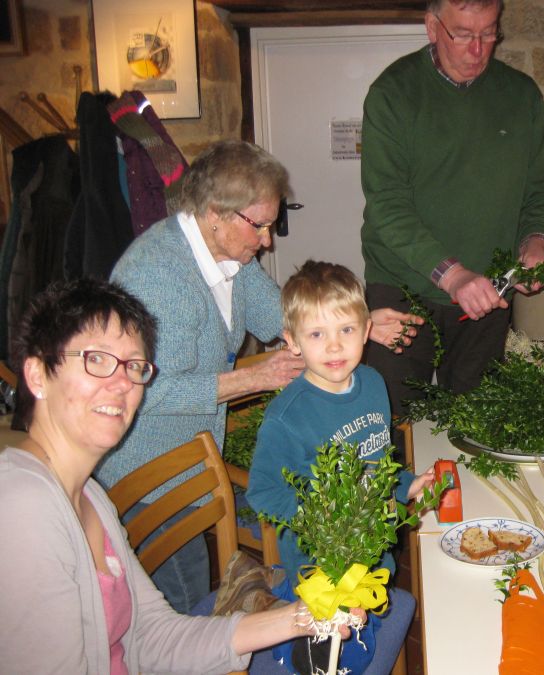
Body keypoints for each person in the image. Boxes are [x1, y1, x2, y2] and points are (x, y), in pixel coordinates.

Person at [97, 140, 422, 613]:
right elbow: (143, 388)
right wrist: (251, 379)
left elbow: (285, 320)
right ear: (215, 213)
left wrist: (356, 322)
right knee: (177, 605)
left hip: (194, 450)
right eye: (261, 225)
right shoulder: (156, 277)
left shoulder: (231, 259)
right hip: (149, 471)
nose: (268, 240)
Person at [0, 277, 362, 673]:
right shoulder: (22, 506)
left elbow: (149, 635)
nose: (122, 383)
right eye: (97, 360)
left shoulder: (88, 495)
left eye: (134, 366)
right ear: (37, 375)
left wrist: (299, 617)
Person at [360, 0, 544, 415]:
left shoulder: (521, 96)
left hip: (487, 293)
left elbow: (543, 193)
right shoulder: (393, 94)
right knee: (394, 427)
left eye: (489, 33)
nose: (479, 50)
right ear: (432, 27)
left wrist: (536, 244)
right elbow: (388, 206)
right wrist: (453, 276)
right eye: (464, 34)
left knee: (477, 422)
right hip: (402, 291)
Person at [247, 260, 434, 673]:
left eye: (346, 330)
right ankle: (291, 649)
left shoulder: (372, 384)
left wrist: (407, 485)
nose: (334, 347)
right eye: (317, 334)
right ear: (292, 341)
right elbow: (262, 492)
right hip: (322, 571)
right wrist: (323, 513)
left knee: (362, 641)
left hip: (373, 556)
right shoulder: (286, 417)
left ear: (367, 331)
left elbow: (378, 465)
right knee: (337, 657)